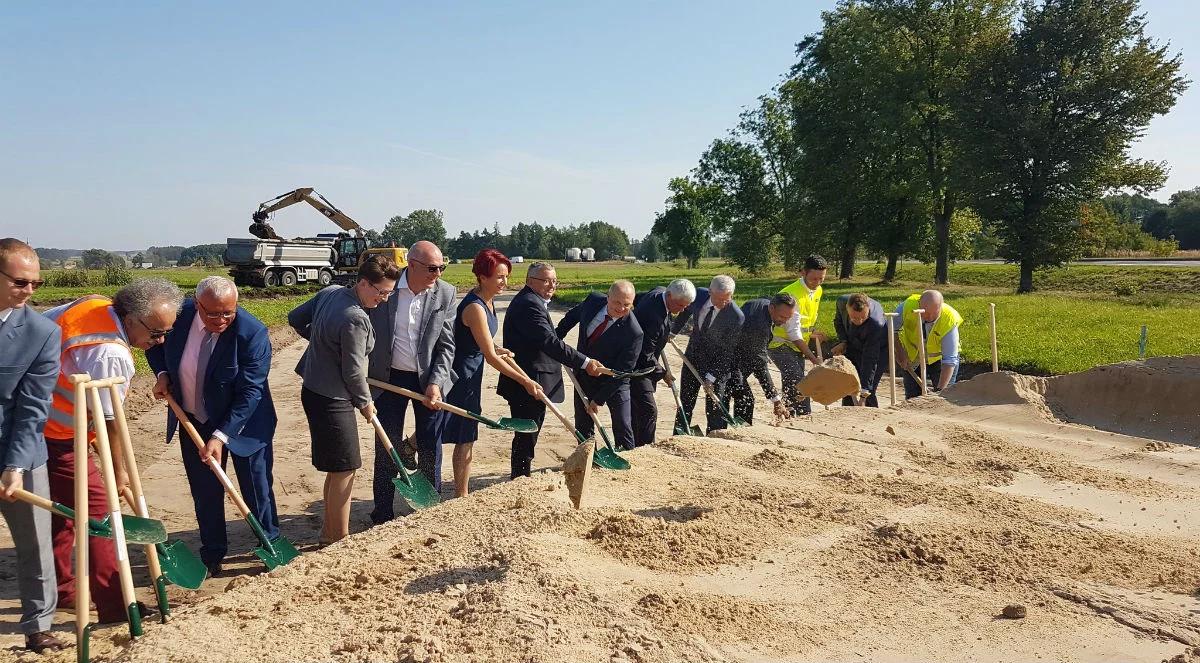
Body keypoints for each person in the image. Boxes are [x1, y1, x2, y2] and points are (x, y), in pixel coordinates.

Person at [43, 277, 183, 623]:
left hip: (40, 421)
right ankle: (117, 606)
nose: (158, 342)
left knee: (63, 512)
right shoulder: (112, 353)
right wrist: (118, 472)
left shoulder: (95, 306)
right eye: (155, 333)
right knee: (101, 514)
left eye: (166, 333)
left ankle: (63, 590)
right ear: (132, 318)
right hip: (56, 432)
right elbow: (111, 422)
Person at [147, 276, 281, 576]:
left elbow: (251, 391)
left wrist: (221, 436)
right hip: (195, 418)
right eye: (213, 313)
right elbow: (152, 344)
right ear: (197, 305)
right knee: (205, 490)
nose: (221, 319)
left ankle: (269, 542)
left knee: (255, 487)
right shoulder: (176, 318)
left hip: (245, 424)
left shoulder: (252, 332)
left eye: (228, 312)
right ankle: (212, 553)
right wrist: (163, 372)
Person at [289, 255, 398, 544]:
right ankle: (338, 538)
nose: (384, 299)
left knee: (339, 467)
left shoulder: (330, 293)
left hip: (312, 389)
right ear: (363, 282)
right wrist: (365, 402)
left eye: (389, 293)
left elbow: (295, 318)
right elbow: (353, 371)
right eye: (381, 292)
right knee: (346, 467)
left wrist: (321, 341)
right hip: (332, 398)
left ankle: (330, 534)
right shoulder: (356, 317)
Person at [0, 239, 65, 653]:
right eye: (21, 282)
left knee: (35, 544)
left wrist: (16, 464)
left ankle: (38, 625)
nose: (29, 292)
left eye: (36, 284)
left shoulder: (42, 333)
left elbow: (33, 407)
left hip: (19, 451)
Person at [365, 241, 457, 522]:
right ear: (412, 265)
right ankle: (382, 512)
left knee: (430, 443)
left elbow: (446, 345)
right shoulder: (387, 288)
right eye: (432, 268)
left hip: (427, 379)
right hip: (388, 379)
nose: (438, 273)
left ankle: (429, 508)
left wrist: (436, 382)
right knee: (387, 444)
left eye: (442, 267)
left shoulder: (445, 293)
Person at [441, 249, 541, 497]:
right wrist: (524, 380)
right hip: (462, 375)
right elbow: (490, 357)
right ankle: (461, 495)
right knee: (465, 433)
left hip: (473, 371)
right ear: (482, 277)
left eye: (506, 276)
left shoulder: (488, 300)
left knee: (452, 423)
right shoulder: (475, 307)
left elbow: (482, 342)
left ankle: (410, 446)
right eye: (498, 277)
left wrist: (496, 347)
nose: (504, 282)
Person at [498, 262, 606, 479]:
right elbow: (548, 341)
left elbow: (548, 339)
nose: (551, 285)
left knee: (528, 435)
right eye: (546, 280)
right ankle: (520, 480)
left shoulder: (534, 301)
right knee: (526, 436)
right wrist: (585, 362)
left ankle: (521, 478)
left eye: (554, 281)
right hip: (527, 382)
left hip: (533, 380)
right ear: (530, 281)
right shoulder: (529, 304)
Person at [555, 280, 644, 450]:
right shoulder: (593, 301)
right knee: (583, 425)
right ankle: (588, 459)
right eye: (617, 302)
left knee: (623, 425)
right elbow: (572, 317)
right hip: (584, 373)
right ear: (608, 297)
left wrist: (599, 399)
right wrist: (555, 338)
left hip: (614, 381)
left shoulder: (634, 332)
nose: (621, 308)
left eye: (627, 305)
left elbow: (623, 371)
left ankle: (626, 458)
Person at [671, 275, 744, 433]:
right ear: (710, 292)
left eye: (727, 299)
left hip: (717, 365)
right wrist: (673, 332)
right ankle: (679, 436)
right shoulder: (698, 296)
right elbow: (685, 311)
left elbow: (727, 352)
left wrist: (711, 377)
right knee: (685, 402)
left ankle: (715, 438)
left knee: (715, 408)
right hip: (693, 358)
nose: (723, 303)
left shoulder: (736, 317)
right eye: (719, 299)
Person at [629, 279, 695, 446]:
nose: (684, 309)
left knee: (638, 411)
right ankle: (645, 448)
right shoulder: (654, 319)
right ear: (670, 296)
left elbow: (638, 298)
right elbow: (645, 356)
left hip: (645, 360)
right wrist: (663, 373)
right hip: (636, 367)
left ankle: (634, 445)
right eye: (681, 305)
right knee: (647, 410)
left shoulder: (659, 292)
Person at [768, 254, 828, 415]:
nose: (818, 283)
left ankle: (788, 412)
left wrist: (812, 332)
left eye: (821, 279)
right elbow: (793, 332)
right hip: (779, 343)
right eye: (814, 279)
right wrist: (813, 358)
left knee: (792, 381)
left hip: (798, 344)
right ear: (803, 273)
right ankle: (803, 414)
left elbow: (806, 320)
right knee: (798, 378)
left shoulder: (818, 290)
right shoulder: (792, 294)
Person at [726, 293, 795, 424]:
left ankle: (736, 428)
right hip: (727, 358)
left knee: (741, 396)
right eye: (782, 317)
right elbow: (760, 365)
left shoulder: (765, 304)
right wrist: (776, 399)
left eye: (788, 317)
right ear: (772, 308)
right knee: (744, 398)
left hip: (741, 350)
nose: (785, 321)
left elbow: (757, 356)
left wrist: (760, 352)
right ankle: (729, 432)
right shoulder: (759, 326)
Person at [895, 290, 963, 398]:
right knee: (912, 397)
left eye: (934, 313)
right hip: (913, 358)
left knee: (945, 396)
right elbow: (891, 330)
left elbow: (949, 360)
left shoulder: (949, 319)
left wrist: (940, 391)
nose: (929, 317)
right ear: (919, 304)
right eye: (925, 313)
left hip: (940, 360)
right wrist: (900, 353)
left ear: (941, 307)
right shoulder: (907, 307)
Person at [832, 293, 890, 407]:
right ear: (847, 308)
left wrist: (864, 393)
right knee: (848, 386)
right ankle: (847, 416)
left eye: (863, 317)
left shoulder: (876, 323)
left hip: (878, 350)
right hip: (853, 343)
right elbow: (838, 322)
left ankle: (870, 416)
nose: (859, 321)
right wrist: (843, 341)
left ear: (868, 309)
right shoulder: (841, 302)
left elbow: (870, 359)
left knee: (869, 390)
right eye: (854, 318)